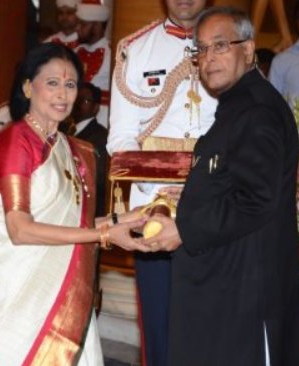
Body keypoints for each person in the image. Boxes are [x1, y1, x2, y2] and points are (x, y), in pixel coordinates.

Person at [141, 7, 299, 365]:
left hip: (243, 298)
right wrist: (191, 195)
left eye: (220, 46)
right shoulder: (237, 107)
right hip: (226, 291)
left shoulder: (256, 110)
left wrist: (184, 228)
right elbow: (234, 180)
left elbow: (255, 199)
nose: (208, 58)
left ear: (248, 50)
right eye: (201, 50)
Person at [0, 43, 145, 365]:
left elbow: (74, 225)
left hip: (58, 284)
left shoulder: (74, 150)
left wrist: (122, 220)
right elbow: (20, 230)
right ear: (27, 87)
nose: (63, 94)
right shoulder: (15, 139)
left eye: (70, 84)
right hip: (14, 285)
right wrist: (104, 235)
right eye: (52, 83)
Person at [107, 0, 217, 364]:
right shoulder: (136, 50)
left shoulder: (227, 46)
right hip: (154, 208)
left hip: (214, 208)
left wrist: (199, 189)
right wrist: (161, 195)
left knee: (215, 322)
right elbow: (120, 139)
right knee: (160, 325)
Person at [60, 82, 109, 216]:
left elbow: (96, 178)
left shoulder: (101, 137)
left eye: (85, 100)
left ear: (96, 108)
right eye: (76, 99)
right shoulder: (61, 129)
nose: (78, 104)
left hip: (88, 210)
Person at [74, 0, 111, 127]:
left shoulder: (111, 53)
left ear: (97, 26)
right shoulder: (76, 52)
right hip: (75, 117)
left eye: (82, 24)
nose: (77, 28)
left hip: (102, 119)